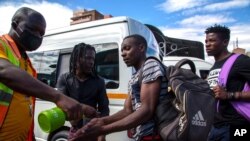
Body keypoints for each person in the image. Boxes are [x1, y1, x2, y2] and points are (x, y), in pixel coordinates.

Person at [0, 7, 92, 140]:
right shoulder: (2, 45)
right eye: (33, 29)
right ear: (15, 24)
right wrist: (58, 97)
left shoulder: (27, 63)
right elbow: (4, 70)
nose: (38, 36)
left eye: (42, 34)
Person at [68, 34, 168, 141]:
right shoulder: (134, 77)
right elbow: (127, 110)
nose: (123, 54)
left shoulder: (150, 65)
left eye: (127, 49)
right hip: (142, 135)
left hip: (154, 134)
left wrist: (103, 130)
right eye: (122, 50)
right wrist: (103, 121)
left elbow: (146, 110)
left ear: (141, 48)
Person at [56, 42, 110, 141]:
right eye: (88, 58)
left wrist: (102, 134)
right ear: (76, 59)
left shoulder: (99, 81)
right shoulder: (64, 79)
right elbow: (61, 103)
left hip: (93, 130)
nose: (91, 62)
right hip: (75, 130)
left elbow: (104, 110)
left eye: (93, 59)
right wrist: (82, 109)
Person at [205, 24, 250, 141]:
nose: (207, 44)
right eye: (206, 41)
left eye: (212, 40)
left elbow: (224, 94)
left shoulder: (241, 61)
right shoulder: (214, 67)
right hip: (216, 126)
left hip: (238, 126)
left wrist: (229, 95)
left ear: (225, 42)